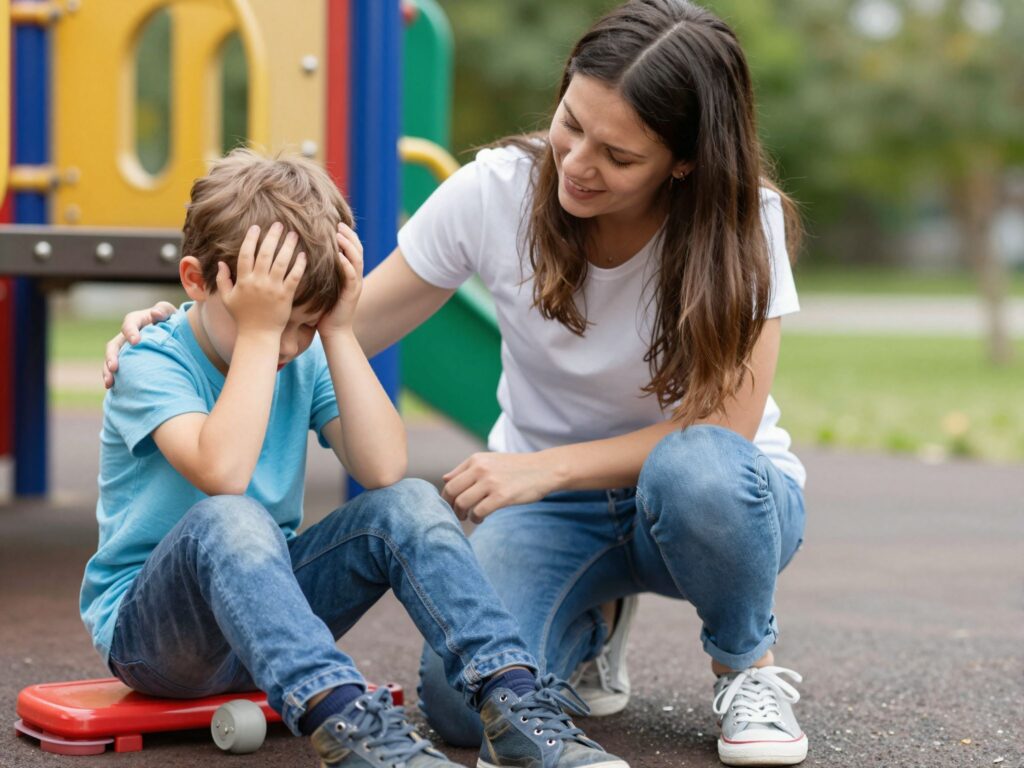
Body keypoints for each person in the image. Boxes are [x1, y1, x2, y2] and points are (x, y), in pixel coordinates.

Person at [106, 1, 810, 764]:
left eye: (618, 155)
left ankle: (746, 667)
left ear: (684, 161)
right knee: (458, 711)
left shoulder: (745, 223)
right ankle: (584, 623)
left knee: (697, 468)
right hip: (552, 514)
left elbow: (724, 432)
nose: (576, 163)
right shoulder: (498, 190)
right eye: (571, 123)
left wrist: (543, 466)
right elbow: (327, 323)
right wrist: (192, 317)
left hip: (710, 499)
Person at [84, 149, 628, 768]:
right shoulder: (149, 361)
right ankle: (347, 727)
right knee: (231, 516)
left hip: (273, 615)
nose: (291, 344)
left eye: (306, 325)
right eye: (277, 324)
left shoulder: (306, 350)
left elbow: (382, 469)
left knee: (411, 502)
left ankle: (515, 703)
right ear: (197, 280)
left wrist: (338, 333)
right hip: (160, 641)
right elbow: (223, 474)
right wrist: (261, 333)